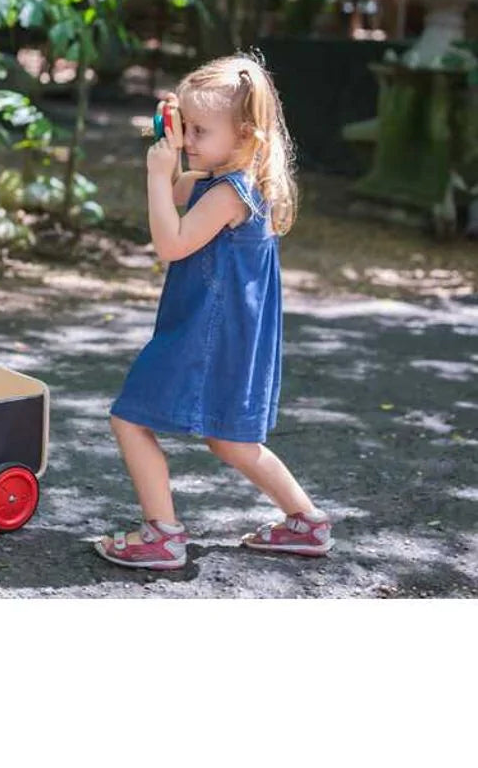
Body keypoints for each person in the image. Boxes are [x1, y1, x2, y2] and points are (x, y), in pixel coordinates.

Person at [94, 54, 333, 570]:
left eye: (201, 130)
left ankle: (162, 535)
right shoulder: (220, 176)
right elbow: (176, 190)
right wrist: (172, 144)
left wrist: (158, 175)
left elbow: (171, 243)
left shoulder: (231, 193)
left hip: (206, 333)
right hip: (222, 332)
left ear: (244, 135)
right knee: (229, 438)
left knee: (129, 418)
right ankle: (307, 521)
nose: (190, 139)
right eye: (188, 126)